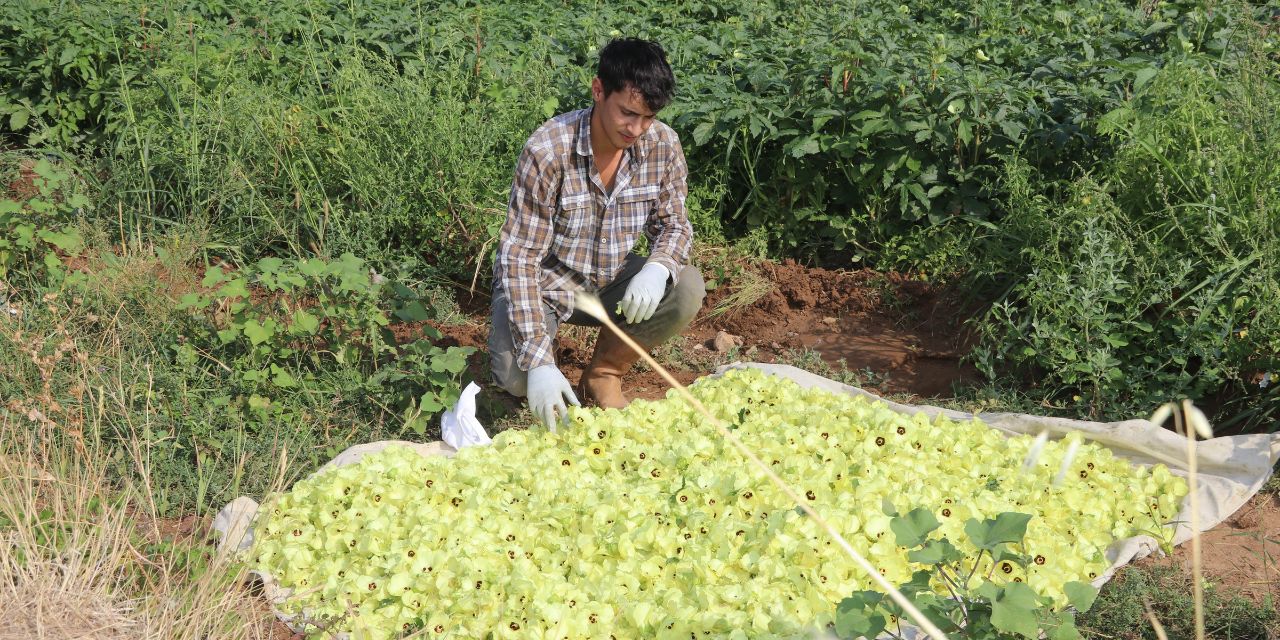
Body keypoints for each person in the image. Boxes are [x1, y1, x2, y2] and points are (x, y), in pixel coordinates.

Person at [488, 38, 706, 430]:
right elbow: (519, 259)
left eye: (648, 117)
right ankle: (536, 369)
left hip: (609, 279)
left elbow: (674, 224)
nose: (636, 129)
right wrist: (539, 363)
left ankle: (603, 373)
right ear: (598, 90)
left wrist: (657, 268)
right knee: (517, 377)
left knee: (686, 287)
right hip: (545, 284)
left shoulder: (663, 145)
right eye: (627, 113)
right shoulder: (549, 151)